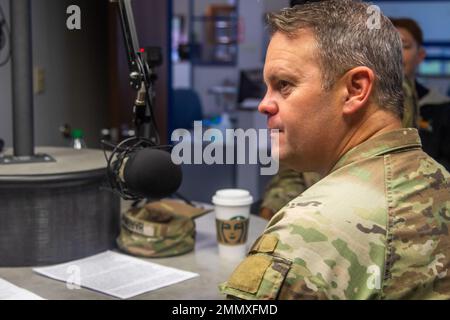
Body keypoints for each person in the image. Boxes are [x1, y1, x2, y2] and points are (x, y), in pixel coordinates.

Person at [220, 0, 450, 299]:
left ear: (355, 89)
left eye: (284, 84)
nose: (264, 103)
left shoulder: (306, 235)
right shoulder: (439, 182)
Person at [391, 18, 450, 169]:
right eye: (388, 45)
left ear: (421, 55)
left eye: (404, 46)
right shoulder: (364, 103)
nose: (395, 52)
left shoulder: (441, 106)